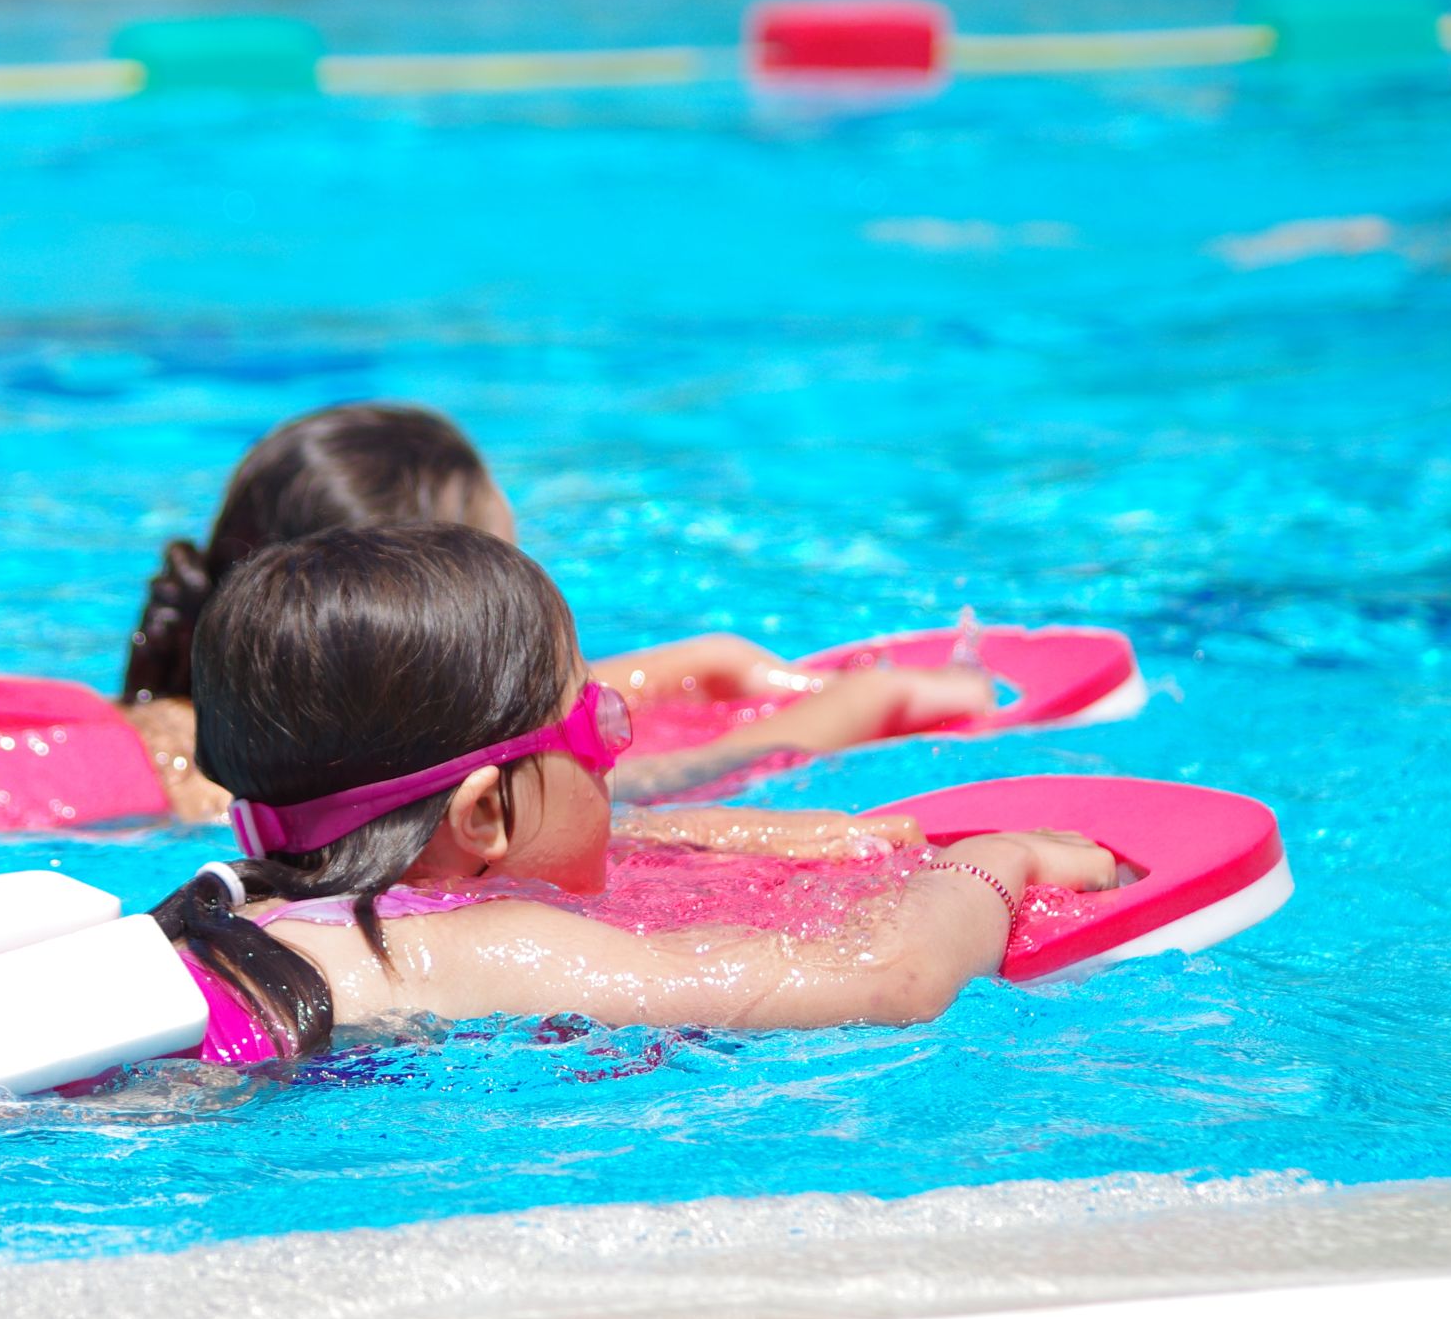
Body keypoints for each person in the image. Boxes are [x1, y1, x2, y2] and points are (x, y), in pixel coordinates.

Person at [153, 525, 1116, 1062]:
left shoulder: (253, 904)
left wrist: (745, 841)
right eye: (600, 726)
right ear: (483, 813)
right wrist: (993, 865)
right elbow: (891, 984)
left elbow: (590, 852)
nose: (616, 758)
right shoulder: (467, 946)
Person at [116, 401, 995, 814]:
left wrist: (703, 663)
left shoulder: (232, 725)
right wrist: (859, 706)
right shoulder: (260, 790)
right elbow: (652, 785)